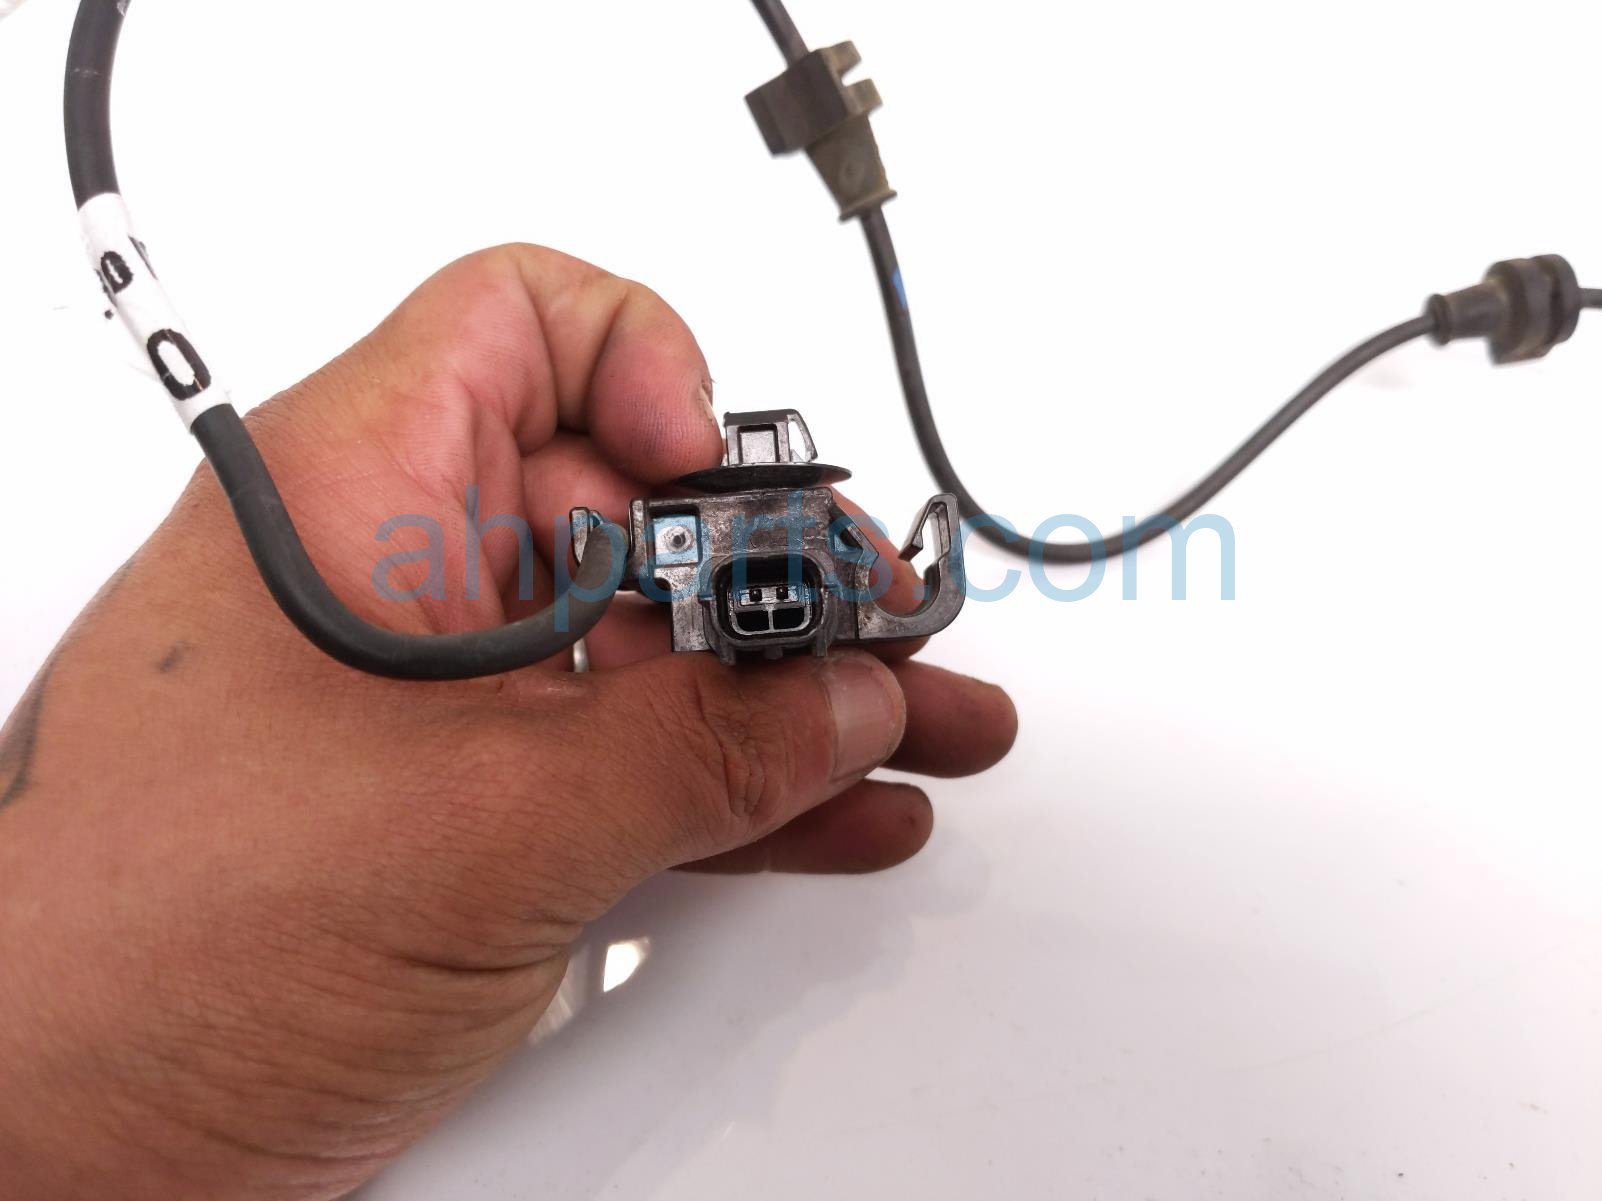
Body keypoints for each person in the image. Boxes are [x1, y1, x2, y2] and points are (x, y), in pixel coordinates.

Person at [0, 245, 1017, 1200]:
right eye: (708, 536)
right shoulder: (672, 548)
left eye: (796, 530)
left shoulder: (810, 536)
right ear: (673, 538)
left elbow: (863, 582)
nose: (770, 557)